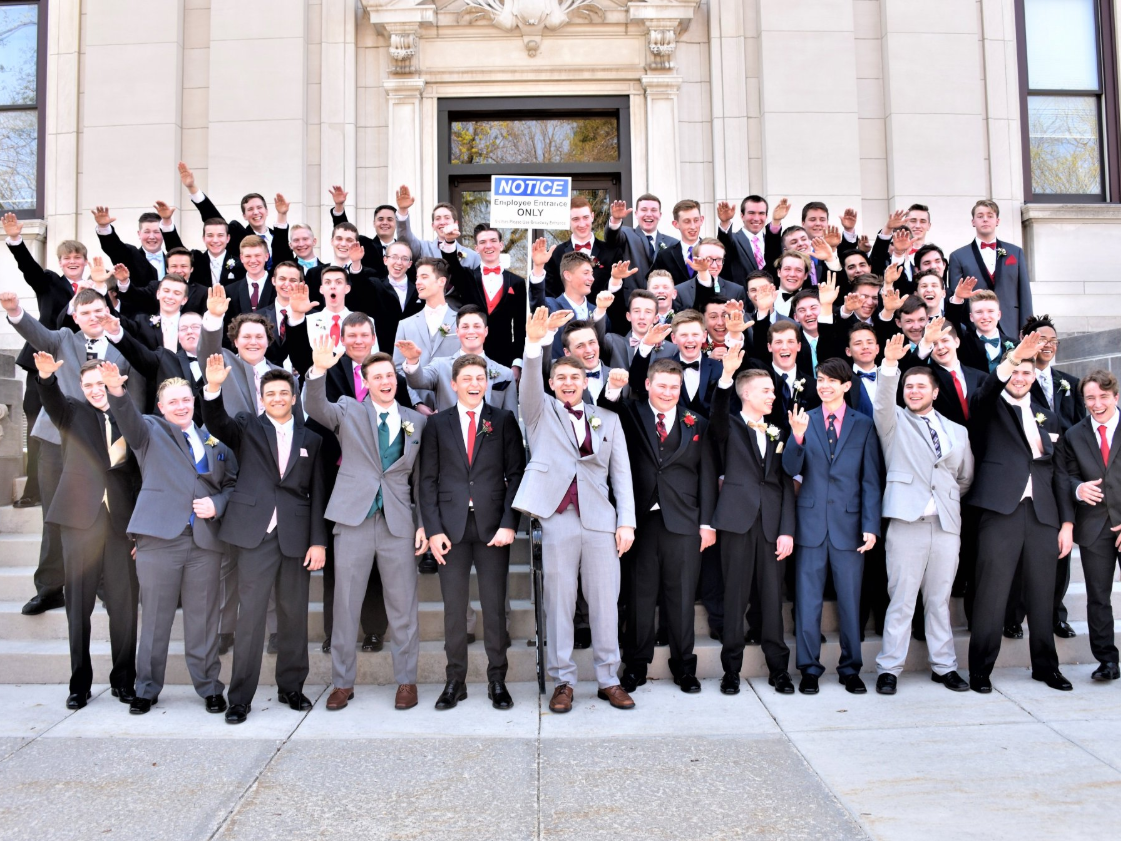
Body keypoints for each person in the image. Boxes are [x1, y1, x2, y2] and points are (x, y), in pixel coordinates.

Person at [513, 307, 636, 713]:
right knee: (560, 602)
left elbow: (622, 476)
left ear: (586, 382)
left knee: (604, 602)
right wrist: (535, 345)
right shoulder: (539, 411)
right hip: (557, 518)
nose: (568, 383)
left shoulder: (608, 420)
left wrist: (627, 522)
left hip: (601, 520)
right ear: (552, 384)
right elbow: (529, 383)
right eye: (561, 378)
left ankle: (608, 679)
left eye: (575, 378)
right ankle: (563, 681)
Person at [102, 363, 237, 715]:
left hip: (205, 543)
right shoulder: (149, 431)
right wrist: (117, 391)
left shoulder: (215, 444)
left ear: (194, 401)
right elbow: (127, 417)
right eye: (172, 401)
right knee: (156, 618)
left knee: (204, 619)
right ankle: (146, 688)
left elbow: (231, 486)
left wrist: (217, 504)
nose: (180, 406)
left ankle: (209, 686)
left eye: (185, 400)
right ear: (161, 407)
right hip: (160, 539)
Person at [3, 289, 145, 618]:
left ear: (109, 311)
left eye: (100, 310)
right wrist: (15, 312)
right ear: (76, 316)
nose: (94, 316)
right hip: (58, 439)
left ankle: (105, 584)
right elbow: (35, 332)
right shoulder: (64, 339)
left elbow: (135, 390)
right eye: (87, 312)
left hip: (107, 442)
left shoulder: (123, 344)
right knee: (56, 515)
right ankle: (51, 587)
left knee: (109, 515)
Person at [304, 342, 429, 712]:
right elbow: (314, 407)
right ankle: (342, 682)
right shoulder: (348, 410)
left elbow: (420, 480)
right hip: (353, 519)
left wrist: (422, 523)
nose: (385, 381)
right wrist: (317, 372)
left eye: (390, 375)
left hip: (398, 523)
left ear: (396, 379)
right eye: (377, 376)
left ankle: (406, 680)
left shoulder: (416, 420)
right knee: (345, 604)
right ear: (366, 380)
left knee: (403, 605)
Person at [200, 362, 327, 724]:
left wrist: (318, 543)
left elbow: (318, 493)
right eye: (270, 393)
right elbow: (216, 423)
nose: (277, 398)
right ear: (262, 398)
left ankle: (291, 687)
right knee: (251, 617)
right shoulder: (246, 427)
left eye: (283, 393)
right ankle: (240, 697)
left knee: (293, 615)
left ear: (293, 398)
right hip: (254, 535)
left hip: (295, 537)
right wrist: (212, 389)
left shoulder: (311, 439)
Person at [965, 332, 1075, 693]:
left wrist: (1067, 523)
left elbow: (1059, 474)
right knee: (992, 595)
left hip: (1043, 515)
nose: (1020, 378)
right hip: (1001, 512)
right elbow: (982, 395)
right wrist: (1011, 360)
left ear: (1034, 377)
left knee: (1043, 596)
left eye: (1026, 373)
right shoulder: (990, 406)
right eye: (1015, 372)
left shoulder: (1047, 416)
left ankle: (1046, 667)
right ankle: (980, 670)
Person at [601, 354, 717, 695]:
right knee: (639, 596)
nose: (668, 392)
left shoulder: (697, 421)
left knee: (681, 597)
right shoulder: (631, 414)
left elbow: (707, 477)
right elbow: (604, 409)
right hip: (639, 521)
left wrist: (707, 523)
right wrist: (612, 389)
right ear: (648, 385)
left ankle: (684, 666)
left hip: (683, 521)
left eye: (674, 387)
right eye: (662, 385)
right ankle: (635, 666)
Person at [418, 354, 526, 710]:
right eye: (467, 378)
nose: (474, 384)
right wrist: (432, 531)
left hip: (494, 527)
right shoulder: (437, 424)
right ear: (454, 383)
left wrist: (510, 523)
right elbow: (427, 481)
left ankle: (497, 679)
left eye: (479, 378)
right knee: (453, 609)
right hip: (451, 529)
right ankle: (455, 681)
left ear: (486, 381)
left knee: (494, 607)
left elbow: (516, 476)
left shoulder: (504, 420)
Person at [33, 353, 140, 710]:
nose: (96, 391)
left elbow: (139, 476)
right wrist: (46, 379)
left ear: (116, 382)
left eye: (102, 383)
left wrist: (140, 531)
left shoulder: (130, 417)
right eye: (89, 385)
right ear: (81, 388)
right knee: (78, 607)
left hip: (120, 525)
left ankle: (124, 681)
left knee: (124, 607)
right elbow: (52, 400)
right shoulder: (72, 413)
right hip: (80, 523)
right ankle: (79, 684)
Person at [872, 335, 974, 695]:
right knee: (901, 599)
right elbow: (883, 400)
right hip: (906, 523)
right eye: (909, 386)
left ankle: (944, 666)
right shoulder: (893, 422)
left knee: (939, 599)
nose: (913, 391)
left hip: (945, 526)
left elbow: (964, 478)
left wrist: (943, 499)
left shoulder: (957, 432)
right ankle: (889, 668)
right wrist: (889, 366)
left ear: (934, 392)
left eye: (921, 386)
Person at [782, 358, 883, 695]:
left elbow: (870, 479)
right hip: (809, 526)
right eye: (820, 380)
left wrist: (871, 524)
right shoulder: (803, 420)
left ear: (846, 386)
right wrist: (796, 438)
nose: (824, 386)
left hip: (850, 526)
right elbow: (789, 470)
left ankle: (850, 668)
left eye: (831, 381)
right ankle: (809, 669)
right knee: (807, 602)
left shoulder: (863, 424)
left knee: (850, 604)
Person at [709, 353, 796, 696]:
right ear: (745, 394)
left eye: (772, 391)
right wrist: (727, 375)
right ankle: (731, 671)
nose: (772, 396)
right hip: (736, 524)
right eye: (765, 390)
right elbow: (717, 412)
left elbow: (785, 483)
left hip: (773, 526)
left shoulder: (777, 431)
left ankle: (780, 671)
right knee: (735, 599)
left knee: (773, 600)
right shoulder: (727, 425)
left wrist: (787, 528)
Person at [1065, 370, 1121, 682]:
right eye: (1090, 398)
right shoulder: (1075, 434)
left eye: (1102, 396)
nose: (1096, 403)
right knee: (1098, 596)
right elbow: (1069, 474)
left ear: (1115, 396)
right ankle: (1107, 661)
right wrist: (1078, 489)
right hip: (1094, 527)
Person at [400, 305, 518, 413]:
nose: (471, 331)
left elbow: (511, 422)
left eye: (477, 326)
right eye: (465, 327)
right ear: (457, 331)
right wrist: (412, 360)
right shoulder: (440, 366)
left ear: (485, 331)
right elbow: (417, 382)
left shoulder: (505, 374)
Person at [442, 226, 527, 369]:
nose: (488, 246)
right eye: (482, 242)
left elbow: (520, 326)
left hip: (504, 358)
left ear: (501, 245)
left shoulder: (517, 282)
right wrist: (449, 241)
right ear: (476, 248)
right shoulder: (467, 277)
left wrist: (517, 362)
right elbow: (451, 263)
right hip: (471, 354)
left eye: (493, 240)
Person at [947, 200, 1032, 337]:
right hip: (973, 329)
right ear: (973, 221)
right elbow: (956, 297)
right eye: (980, 216)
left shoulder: (1015, 252)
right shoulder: (958, 256)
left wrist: (1026, 327)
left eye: (990, 216)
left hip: (1011, 325)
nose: (985, 219)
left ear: (997, 221)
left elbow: (1024, 293)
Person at [391, 257, 460, 408]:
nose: (417, 282)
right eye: (416, 278)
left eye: (424, 277)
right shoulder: (405, 324)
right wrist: (417, 402)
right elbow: (397, 370)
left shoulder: (461, 322)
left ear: (441, 281)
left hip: (453, 405)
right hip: (415, 410)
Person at [178, 162, 286, 257]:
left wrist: (282, 214)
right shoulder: (238, 235)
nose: (256, 212)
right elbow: (213, 217)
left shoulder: (278, 236)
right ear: (244, 215)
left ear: (266, 211)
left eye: (259, 207)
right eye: (250, 209)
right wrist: (192, 187)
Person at [393, 185, 481, 268]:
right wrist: (403, 211)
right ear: (433, 225)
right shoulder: (422, 248)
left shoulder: (473, 257)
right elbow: (405, 239)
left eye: (447, 218)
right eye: (438, 218)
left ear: (456, 223)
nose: (442, 222)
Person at [604, 195, 679, 289]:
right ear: (636, 214)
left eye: (653, 210)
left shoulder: (673, 243)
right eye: (644, 209)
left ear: (660, 215)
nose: (648, 214)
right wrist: (615, 219)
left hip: (661, 300)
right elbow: (611, 238)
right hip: (632, 299)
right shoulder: (626, 234)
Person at [715, 195, 783, 284]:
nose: (756, 218)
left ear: (766, 216)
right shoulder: (733, 241)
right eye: (751, 213)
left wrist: (776, 221)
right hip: (740, 296)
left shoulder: (773, 243)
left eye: (761, 213)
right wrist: (725, 222)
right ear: (742, 216)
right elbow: (724, 244)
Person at [92, 205, 167, 285]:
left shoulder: (173, 259)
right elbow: (114, 248)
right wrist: (104, 227)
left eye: (156, 232)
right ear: (139, 234)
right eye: (147, 232)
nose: (152, 237)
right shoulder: (131, 255)